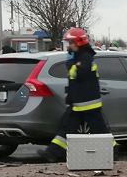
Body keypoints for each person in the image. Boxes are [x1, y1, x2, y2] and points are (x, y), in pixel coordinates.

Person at [41, 28, 112, 162]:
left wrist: (71, 63)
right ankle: (52, 152)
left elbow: (78, 74)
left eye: (71, 42)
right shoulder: (80, 56)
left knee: (99, 130)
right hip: (79, 102)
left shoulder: (85, 57)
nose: (69, 45)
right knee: (67, 128)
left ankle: (113, 151)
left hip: (88, 103)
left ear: (79, 42)